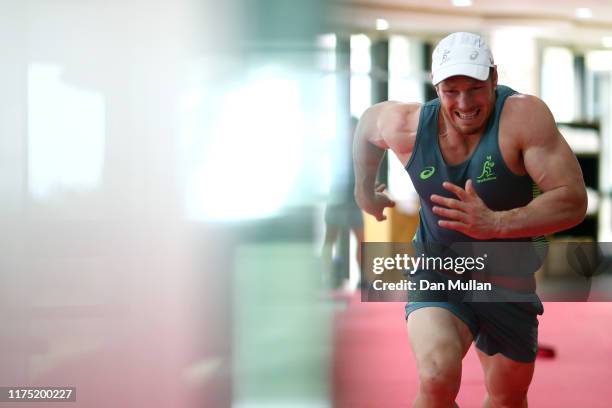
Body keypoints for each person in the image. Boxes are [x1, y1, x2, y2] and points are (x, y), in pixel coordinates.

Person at [353, 32, 587, 408]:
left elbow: (573, 201)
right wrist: (364, 188)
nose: (464, 103)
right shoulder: (407, 125)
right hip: (439, 269)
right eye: (451, 90)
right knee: (436, 376)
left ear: (494, 78)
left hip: (507, 279)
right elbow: (367, 125)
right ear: (436, 88)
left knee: (507, 397)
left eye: (475, 88)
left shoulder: (524, 117)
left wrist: (495, 224)